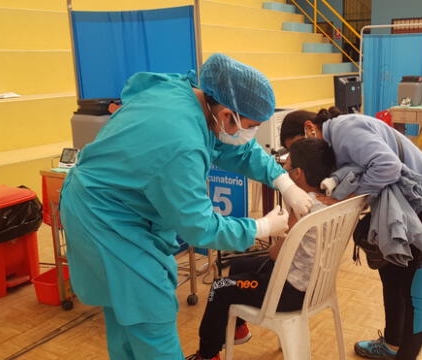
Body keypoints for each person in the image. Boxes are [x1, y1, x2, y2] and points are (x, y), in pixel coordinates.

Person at [60, 53, 314, 360]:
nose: (249, 135)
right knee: (149, 314)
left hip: (104, 204)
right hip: (105, 220)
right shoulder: (181, 143)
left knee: (125, 314)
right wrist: (261, 227)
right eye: (249, 126)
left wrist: (281, 181)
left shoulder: (190, 96)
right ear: (226, 115)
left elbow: (237, 149)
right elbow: (199, 226)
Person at [280, 108, 422, 360]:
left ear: (310, 128)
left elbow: (388, 166)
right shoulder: (332, 146)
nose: (300, 158)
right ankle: (391, 344)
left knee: (416, 293)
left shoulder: (345, 129)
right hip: (407, 211)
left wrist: (347, 199)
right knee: (392, 277)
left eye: (298, 147)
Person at [186, 138, 338, 360]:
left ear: (298, 174)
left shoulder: (300, 208)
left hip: (290, 291)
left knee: (220, 287)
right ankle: (238, 329)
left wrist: (271, 233)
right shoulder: (329, 199)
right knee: (240, 264)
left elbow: (275, 255)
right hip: (315, 284)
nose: (283, 169)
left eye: (287, 165)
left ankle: (207, 355)